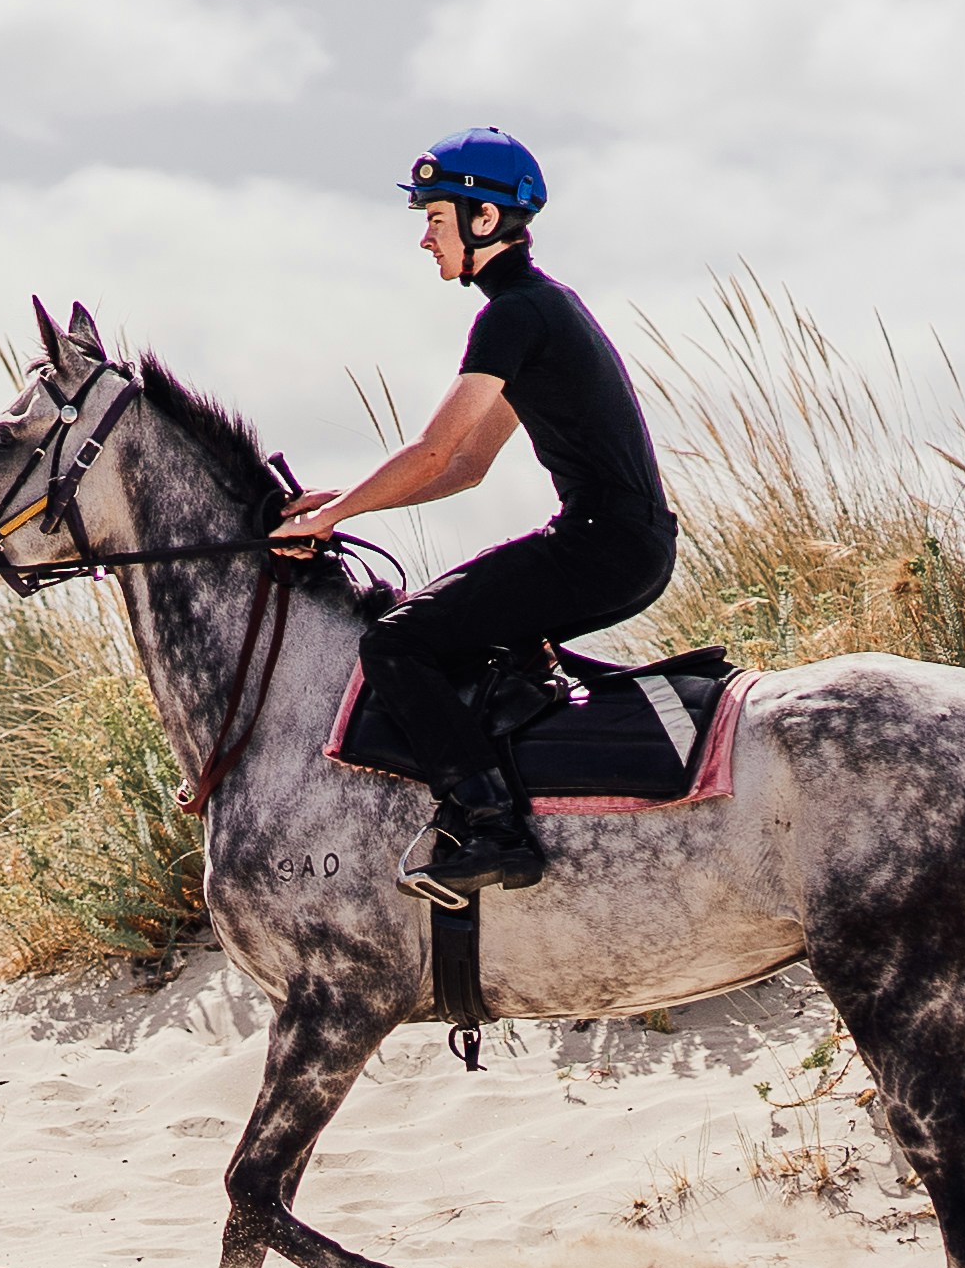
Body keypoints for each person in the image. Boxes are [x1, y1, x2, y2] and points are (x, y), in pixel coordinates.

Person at [274, 129, 677, 904]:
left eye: (436, 218)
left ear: (484, 220)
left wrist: (332, 519)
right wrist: (342, 502)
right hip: (628, 546)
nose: (425, 238)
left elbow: (433, 451)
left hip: (601, 546)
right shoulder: (542, 307)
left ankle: (493, 827)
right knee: (456, 638)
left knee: (396, 642)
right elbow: (467, 467)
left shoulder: (514, 317)